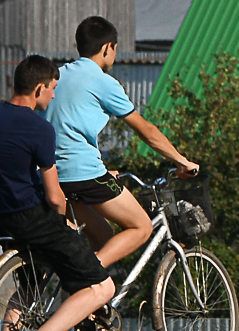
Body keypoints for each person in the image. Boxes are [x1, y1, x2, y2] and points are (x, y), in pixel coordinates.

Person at [0, 55, 112, 331]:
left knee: (34, 279)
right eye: (52, 89)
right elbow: (53, 196)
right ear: (38, 89)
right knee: (102, 285)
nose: (53, 96)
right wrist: (62, 221)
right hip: (31, 219)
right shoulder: (40, 128)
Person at [48, 14, 199, 270]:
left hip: (51, 177)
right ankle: (86, 274)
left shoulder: (57, 76)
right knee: (140, 226)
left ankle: (85, 303)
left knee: (105, 237)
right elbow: (146, 131)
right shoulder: (104, 82)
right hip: (83, 175)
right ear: (108, 48)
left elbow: (65, 129)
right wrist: (182, 161)